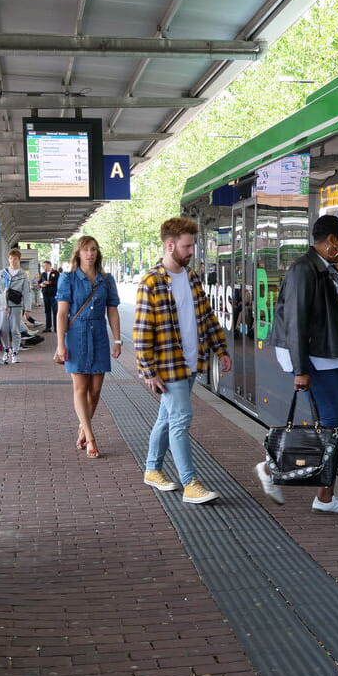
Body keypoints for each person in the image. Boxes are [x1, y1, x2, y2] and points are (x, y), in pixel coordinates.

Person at [255, 214, 338, 514]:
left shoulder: (323, 268)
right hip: (315, 357)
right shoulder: (305, 269)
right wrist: (300, 369)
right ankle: (314, 492)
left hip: (322, 354)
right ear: (330, 241)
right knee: (333, 423)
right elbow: (296, 320)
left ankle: (315, 491)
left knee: (330, 423)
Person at [133, 216, 231, 504]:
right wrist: (148, 370)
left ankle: (152, 469)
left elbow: (206, 317)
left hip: (192, 363)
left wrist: (221, 349)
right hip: (168, 365)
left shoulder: (192, 277)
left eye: (193, 246)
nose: (192, 251)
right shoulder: (151, 281)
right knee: (180, 420)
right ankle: (190, 483)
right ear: (170, 245)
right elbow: (141, 331)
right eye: (187, 246)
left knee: (167, 419)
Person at [53, 235, 121, 458]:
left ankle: (83, 427)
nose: (89, 254)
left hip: (99, 335)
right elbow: (62, 313)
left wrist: (117, 340)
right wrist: (60, 344)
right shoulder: (68, 278)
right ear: (78, 253)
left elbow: (112, 310)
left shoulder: (106, 279)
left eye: (93, 249)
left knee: (96, 390)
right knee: (81, 388)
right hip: (76, 336)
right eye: (85, 250)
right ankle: (91, 438)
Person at [0, 248, 29, 363]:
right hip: (3, 306)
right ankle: (6, 350)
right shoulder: (2, 273)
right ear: (8, 259)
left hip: (17, 305)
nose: (13, 260)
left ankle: (15, 352)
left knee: (15, 330)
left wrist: (27, 309)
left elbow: (26, 292)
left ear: (19, 260)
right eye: (11, 258)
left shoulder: (23, 275)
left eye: (15, 258)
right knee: (4, 330)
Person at [37, 260, 59, 331]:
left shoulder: (55, 273)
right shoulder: (43, 274)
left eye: (46, 265)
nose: (44, 267)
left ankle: (56, 328)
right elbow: (39, 282)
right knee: (47, 311)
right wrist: (41, 284)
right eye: (43, 266)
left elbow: (57, 282)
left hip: (54, 295)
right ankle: (48, 327)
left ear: (50, 265)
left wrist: (48, 282)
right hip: (45, 295)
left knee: (55, 311)